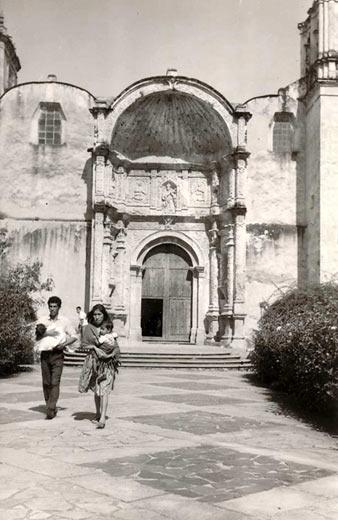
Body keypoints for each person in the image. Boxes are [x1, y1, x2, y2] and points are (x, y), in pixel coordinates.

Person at [78, 303, 120, 429]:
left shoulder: (107, 327)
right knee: (97, 390)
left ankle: (103, 418)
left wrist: (111, 354)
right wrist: (95, 348)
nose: (97, 317)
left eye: (99, 314)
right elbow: (83, 345)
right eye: (95, 314)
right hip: (94, 362)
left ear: (104, 315)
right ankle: (97, 413)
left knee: (104, 390)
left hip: (108, 364)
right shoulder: (88, 328)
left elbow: (115, 345)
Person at [38, 296, 77, 419]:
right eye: (50, 306)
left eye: (55, 306)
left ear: (59, 308)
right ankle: (50, 405)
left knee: (55, 382)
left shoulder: (65, 321)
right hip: (45, 354)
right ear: (48, 307)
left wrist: (64, 344)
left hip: (58, 355)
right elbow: (36, 335)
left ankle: (50, 408)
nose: (52, 309)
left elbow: (74, 336)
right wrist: (46, 333)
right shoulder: (43, 320)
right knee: (46, 382)